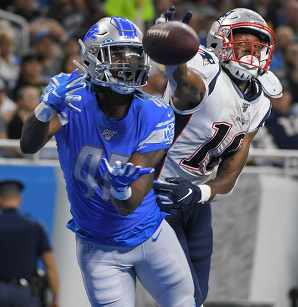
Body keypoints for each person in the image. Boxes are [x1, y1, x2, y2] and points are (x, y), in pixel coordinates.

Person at [20, 16, 195, 306]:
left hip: (150, 235)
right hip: (98, 247)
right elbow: (29, 144)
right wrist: (44, 107)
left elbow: (128, 205)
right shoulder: (73, 100)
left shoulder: (156, 112)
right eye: (118, 53)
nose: (129, 61)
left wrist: (121, 188)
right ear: (92, 57)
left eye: (134, 53)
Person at [152, 7, 281, 306]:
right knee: (183, 296)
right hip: (156, 193)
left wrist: (198, 192)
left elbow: (230, 175)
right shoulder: (208, 72)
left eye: (257, 45)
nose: (251, 51)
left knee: (198, 297)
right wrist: (173, 52)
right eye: (243, 42)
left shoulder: (260, 102)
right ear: (219, 42)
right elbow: (183, 83)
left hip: (194, 200)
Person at [0, 179, 60, 307]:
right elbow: (50, 266)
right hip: (28, 293)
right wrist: (56, 298)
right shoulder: (34, 227)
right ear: (19, 199)